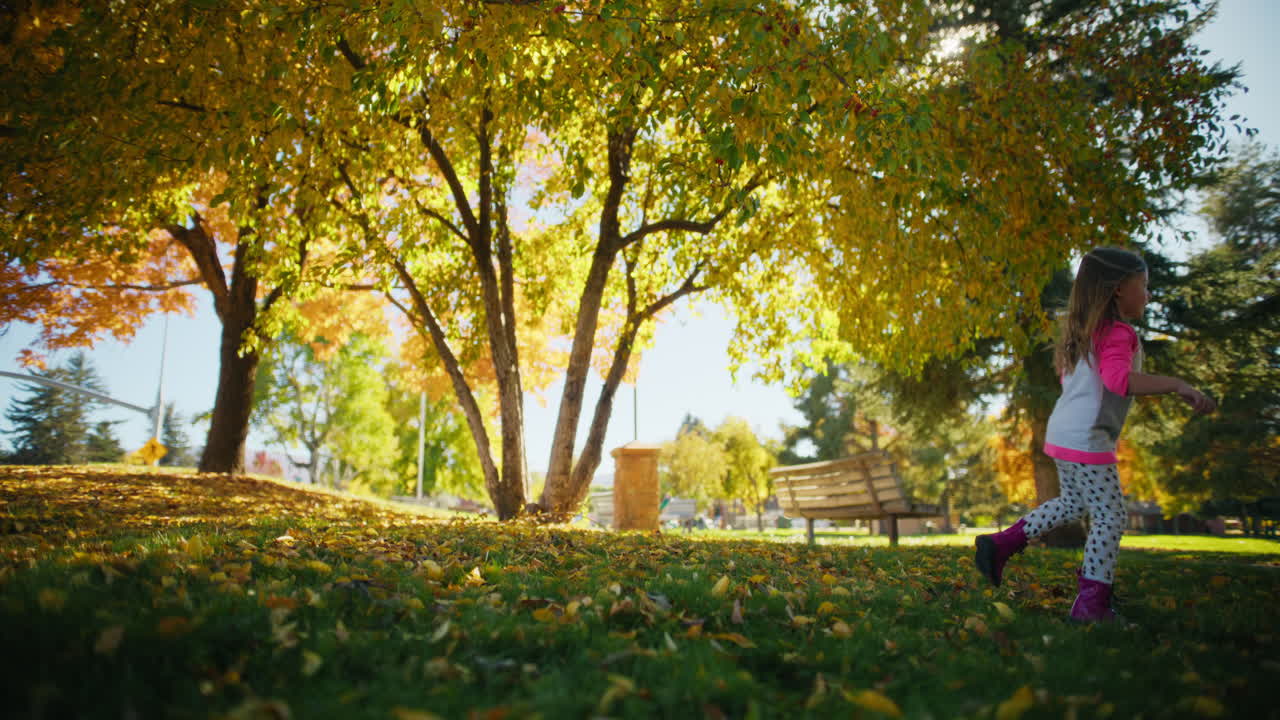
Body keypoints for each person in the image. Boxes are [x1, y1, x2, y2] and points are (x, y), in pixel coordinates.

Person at [974, 247, 1217, 623]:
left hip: (1063, 432)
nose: (1148, 294)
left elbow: (1073, 382)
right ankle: (1092, 603)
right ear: (1120, 288)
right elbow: (1118, 381)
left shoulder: (1083, 334)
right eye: (1144, 285)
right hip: (1087, 438)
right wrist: (1176, 384)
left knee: (1073, 504)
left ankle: (1000, 544)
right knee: (1111, 517)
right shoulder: (1118, 333)